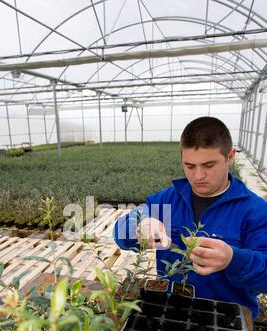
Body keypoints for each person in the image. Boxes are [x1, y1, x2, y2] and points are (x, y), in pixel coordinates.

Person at [114, 116, 267, 318]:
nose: (198, 176)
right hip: (171, 313)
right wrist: (141, 223)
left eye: (209, 165)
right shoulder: (168, 199)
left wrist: (233, 259)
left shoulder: (255, 211)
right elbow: (120, 233)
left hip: (226, 320)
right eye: (190, 166)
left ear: (230, 157)